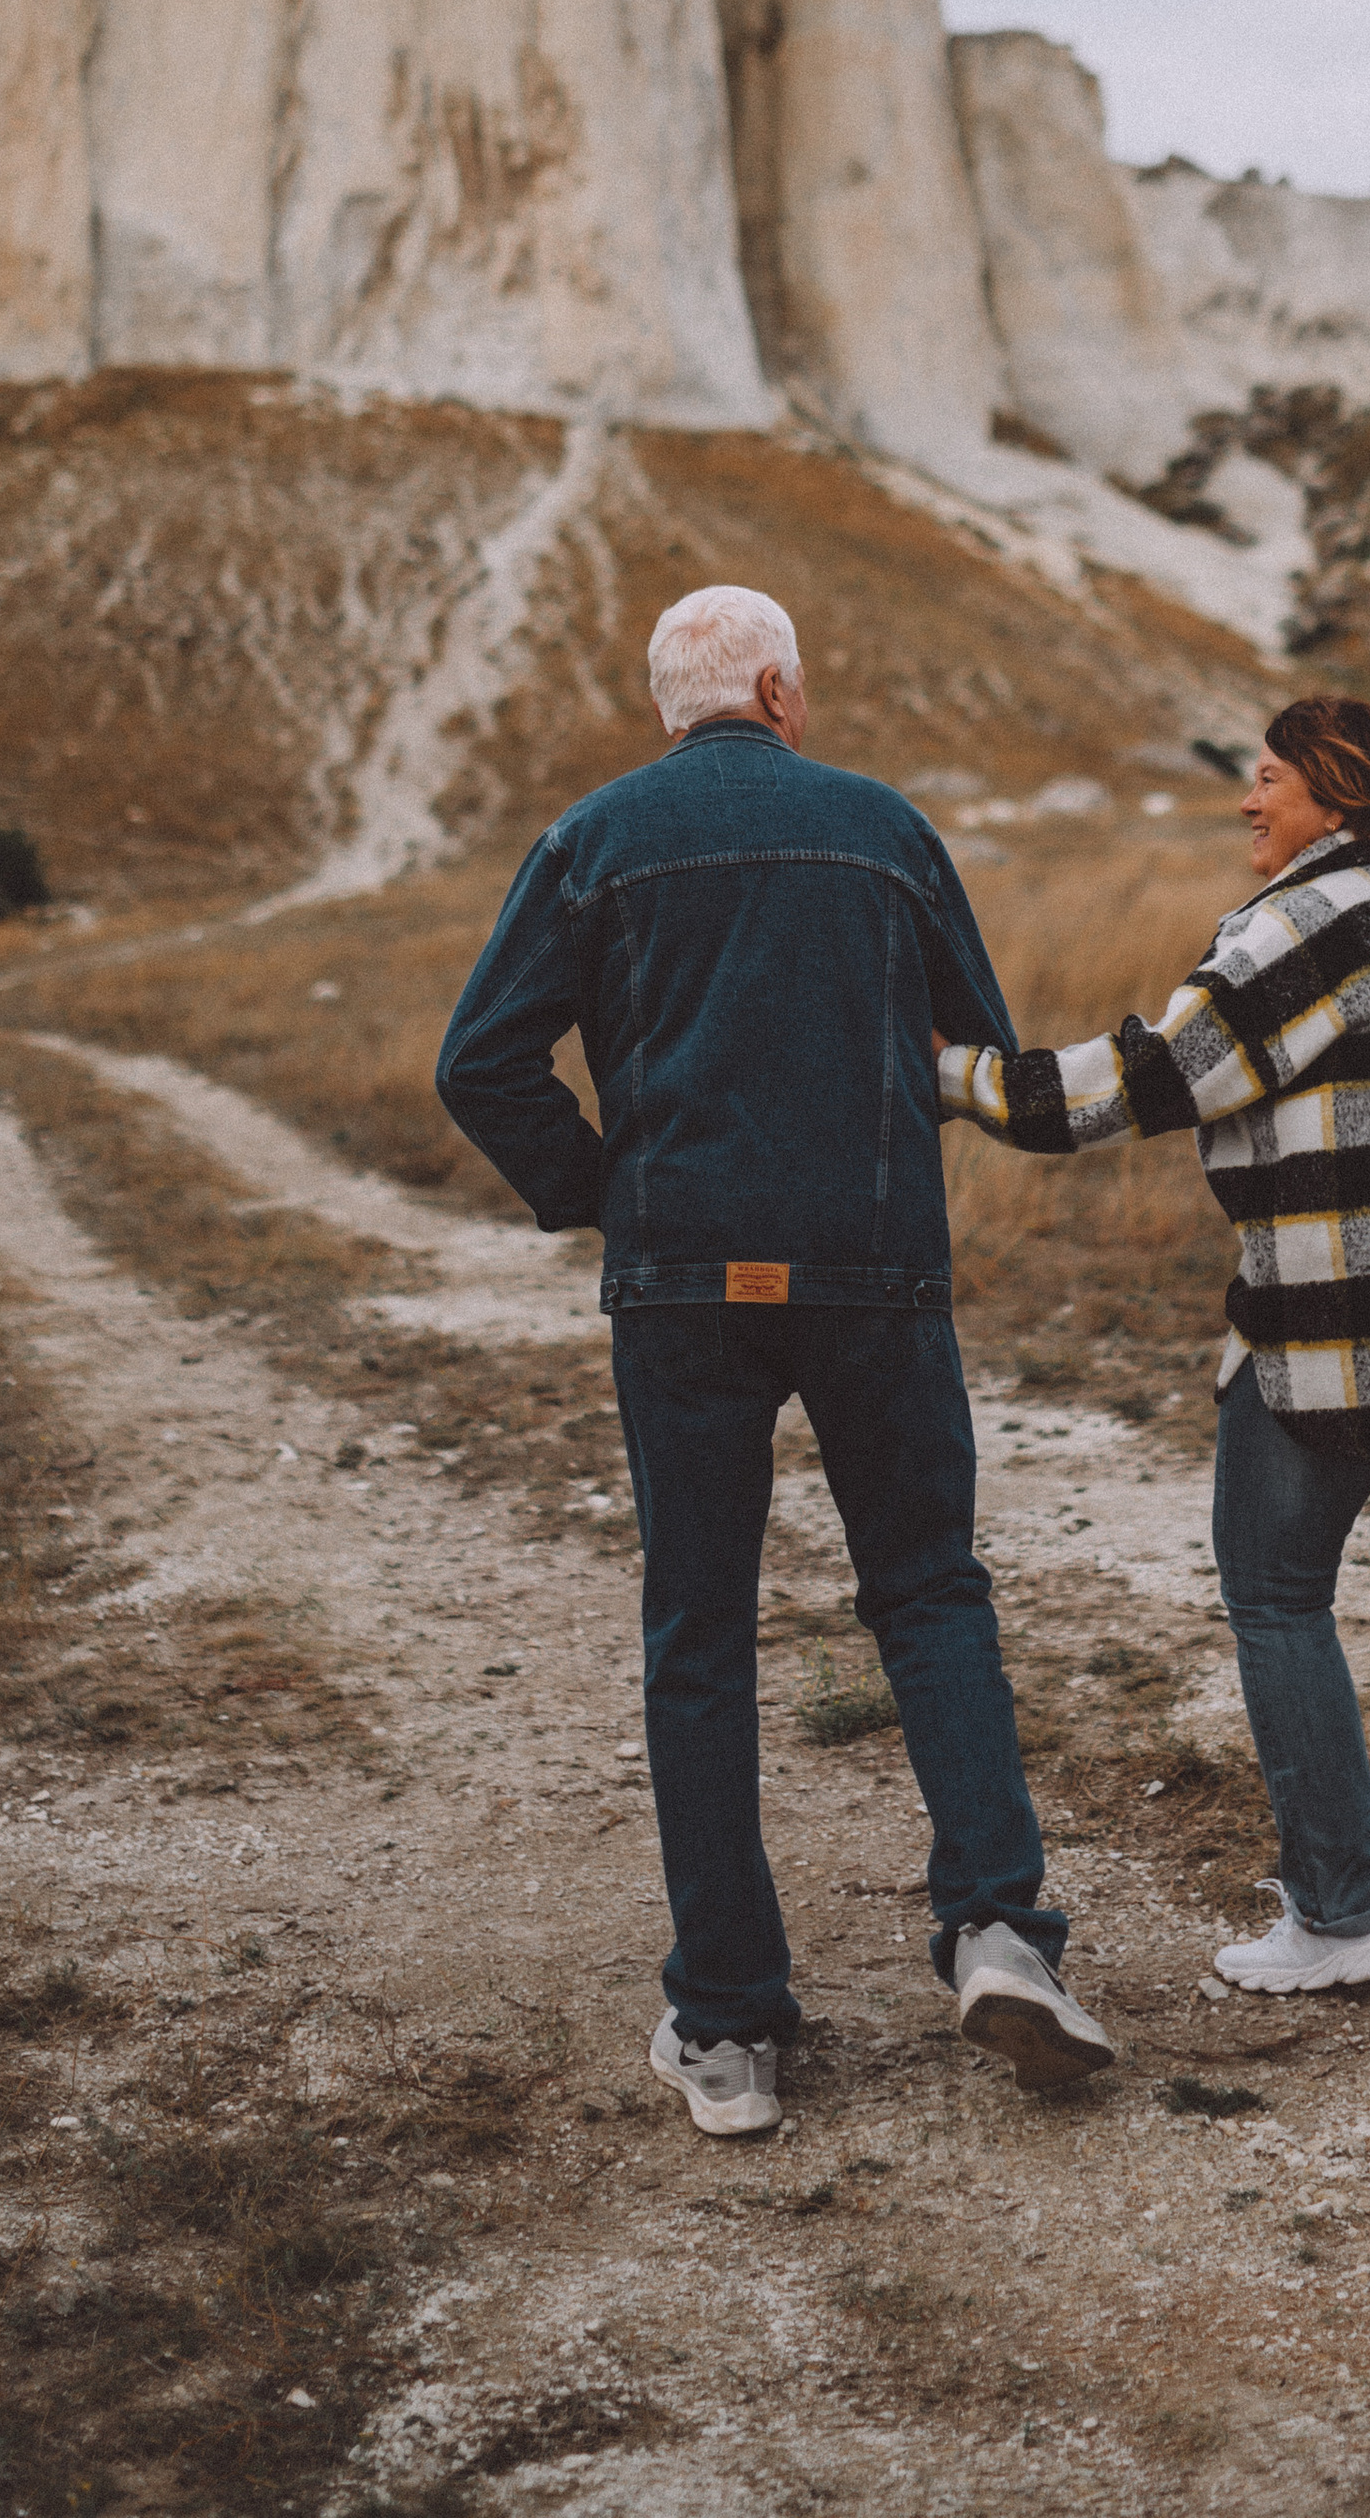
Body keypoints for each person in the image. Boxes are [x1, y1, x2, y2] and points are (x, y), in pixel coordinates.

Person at [434, 583, 1114, 2138]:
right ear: (779, 689)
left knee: (701, 1632)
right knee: (929, 1587)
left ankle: (731, 2027)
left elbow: (479, 1061)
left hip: (683, 1279)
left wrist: (605, 1189)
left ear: (671, 708)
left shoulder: (592, 840)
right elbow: (977, 1050)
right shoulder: (881, 829)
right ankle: (999, 1933)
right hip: (874, 1264)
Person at [936, 693, 1370, 2038]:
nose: (1248, 801)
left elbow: (1136, 1085)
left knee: (1276, 1595)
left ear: (1338, 796)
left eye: (1269, 779)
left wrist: (951, 1074)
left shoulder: (1298, 927)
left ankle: (1341, 1916)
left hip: (1338, 1339)